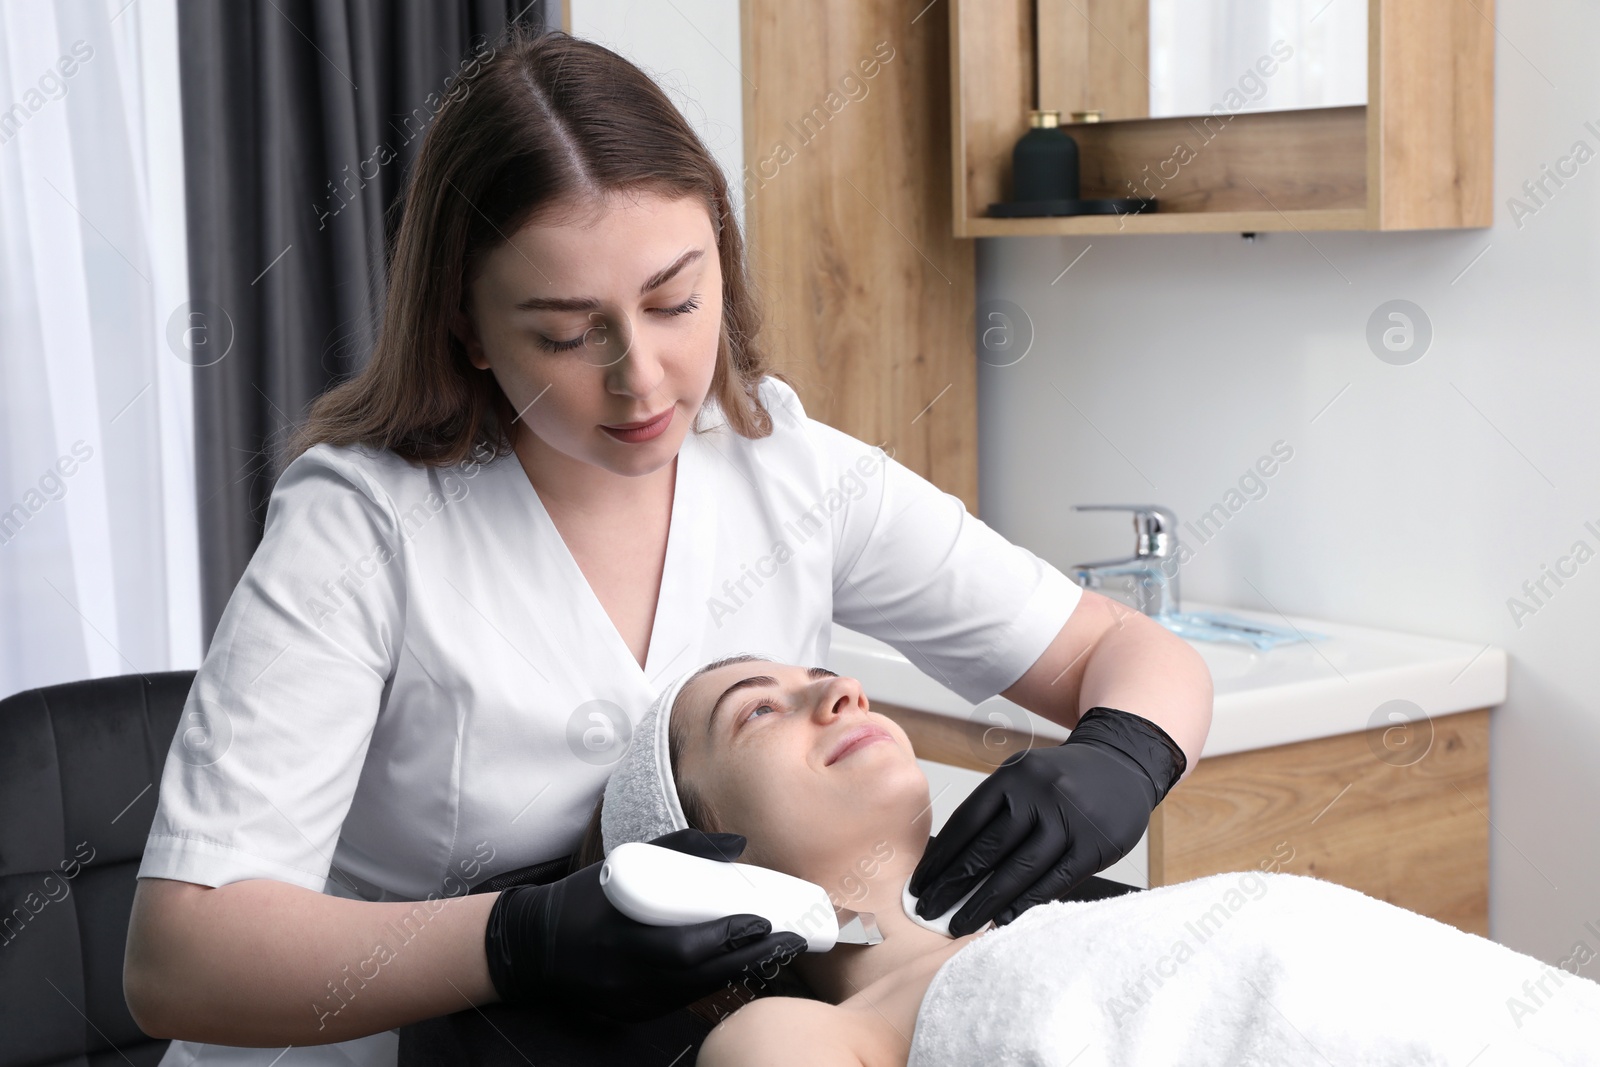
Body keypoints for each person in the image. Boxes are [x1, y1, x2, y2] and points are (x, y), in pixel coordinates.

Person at [123, 24, 1211, 1067]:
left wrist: (1123, 751)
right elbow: (181, 955)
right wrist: (517, 939)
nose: (640, 378)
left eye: (675, 300)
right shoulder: (361, 524)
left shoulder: (783, 466)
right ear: (464, 324)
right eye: (564, 332)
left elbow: (1121, 649)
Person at [592, 655, 1600, 1067]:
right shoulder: (800, 1027)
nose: (840, 691)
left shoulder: (1065, 919)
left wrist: (1124, 747)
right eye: (757, 710)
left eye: (825, 675)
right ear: (697, 850)